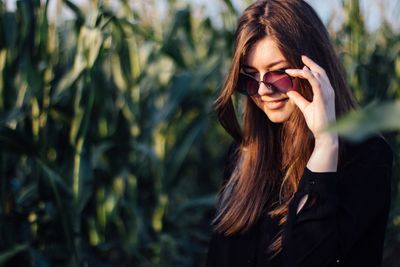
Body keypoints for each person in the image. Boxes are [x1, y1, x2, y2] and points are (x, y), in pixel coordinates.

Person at [205, 0, 394, 266]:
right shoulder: (245, 153)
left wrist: (325, 145)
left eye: (278, 74)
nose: (262, 91)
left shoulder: (366, 157)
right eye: (250, 77)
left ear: (316, 71)